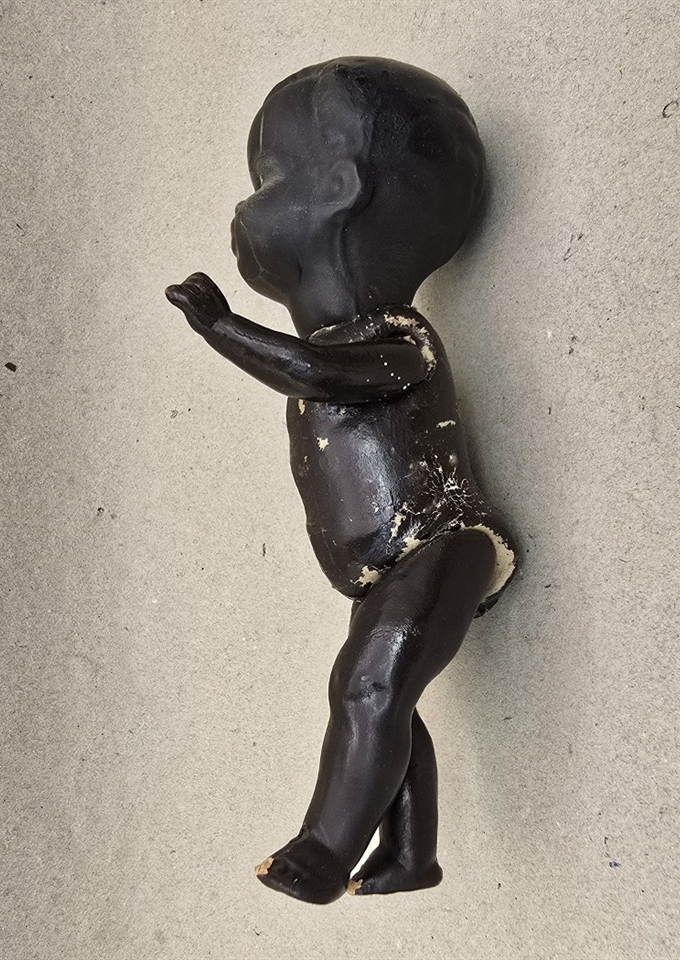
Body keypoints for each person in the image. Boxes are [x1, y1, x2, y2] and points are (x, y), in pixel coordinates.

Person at [165, 57, 518, 904]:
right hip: (390, 566)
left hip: (442, 544)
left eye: (267, 178)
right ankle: (409, 856)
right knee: (379, 699)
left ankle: (323, 853)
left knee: (370, 688)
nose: (243, 206)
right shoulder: (350, 340)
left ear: (339, 190)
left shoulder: (397, 339)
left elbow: (317, 376)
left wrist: (221, 327)